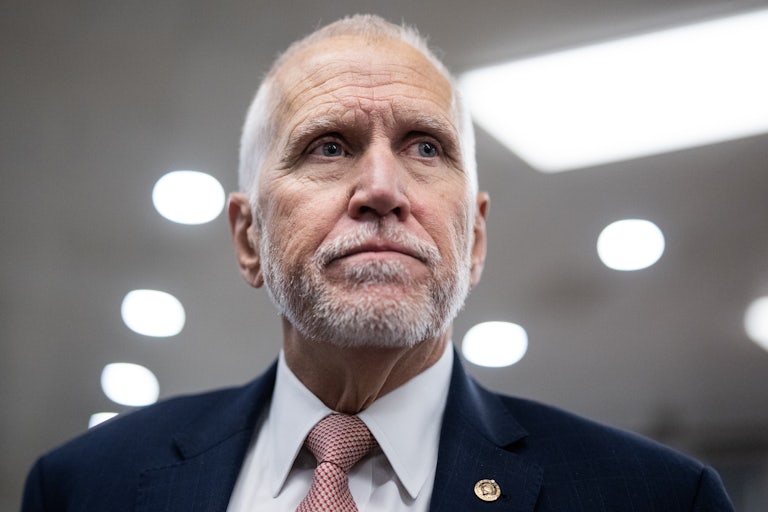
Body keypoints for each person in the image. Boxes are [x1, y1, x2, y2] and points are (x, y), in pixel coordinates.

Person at [22, 14, 734, 512]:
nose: (383, 190)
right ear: (248, 238)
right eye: (328, 146)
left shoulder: (658, 497)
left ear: (475, 239)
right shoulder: (83, 487)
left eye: (426, 146)